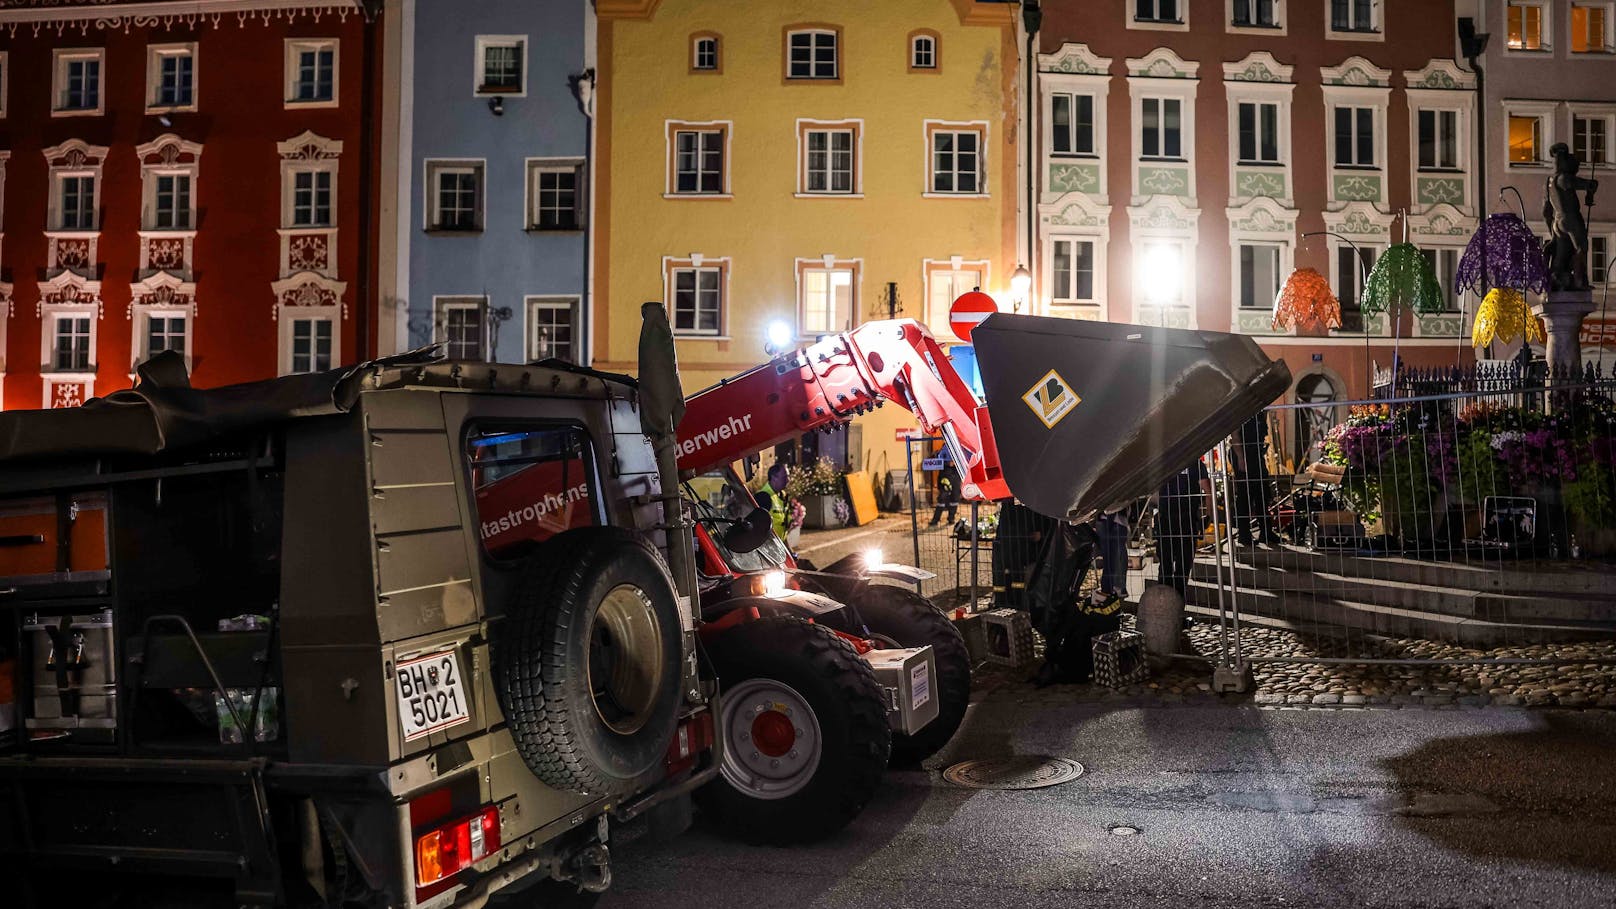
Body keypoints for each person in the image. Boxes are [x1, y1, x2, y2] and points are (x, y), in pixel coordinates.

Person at [1156, 457, 1213, 601]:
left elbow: (1207, 491)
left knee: (1168, 565)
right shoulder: (1192, 461)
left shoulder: (1165, 461)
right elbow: (1208, 491)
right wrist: (1209, 515)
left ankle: (1168, 607)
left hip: (1171, 519)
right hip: (1182, 520)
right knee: (1178, 565)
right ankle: (1173, 607)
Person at [1230, 414, 1279, 547]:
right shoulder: (1243, 410)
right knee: (1245, 495)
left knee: (1262, 493)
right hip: (1243, 453)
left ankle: (1266, 532)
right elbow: (1235, 436)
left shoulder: (1260, 412)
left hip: (1256, 453)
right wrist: (1241, 457)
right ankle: (1244, 534)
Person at [1094, 506, 1130, 609]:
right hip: (1112, 520)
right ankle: (1113, 593)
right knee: (1114, 560)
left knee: (1112, 561)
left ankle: (1111, 593)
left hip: (1109, 518)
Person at [752, 462, 791, 542]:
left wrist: (789, 551)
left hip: (779, 547)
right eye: (784, 477)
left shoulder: (782, 495)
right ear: (774, 477)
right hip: (768, 549)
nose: (788, 480)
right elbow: (756, 530)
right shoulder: (763, 497)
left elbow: (782, 527)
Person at [929, 455, 960, 527]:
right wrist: (947, 463)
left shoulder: (958, 450)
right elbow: (937, 458)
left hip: (955, 479)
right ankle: (935, 520)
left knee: (954, 500)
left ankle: (951, 518)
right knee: (942, 500)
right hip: (945, 479)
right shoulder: (944, 451)